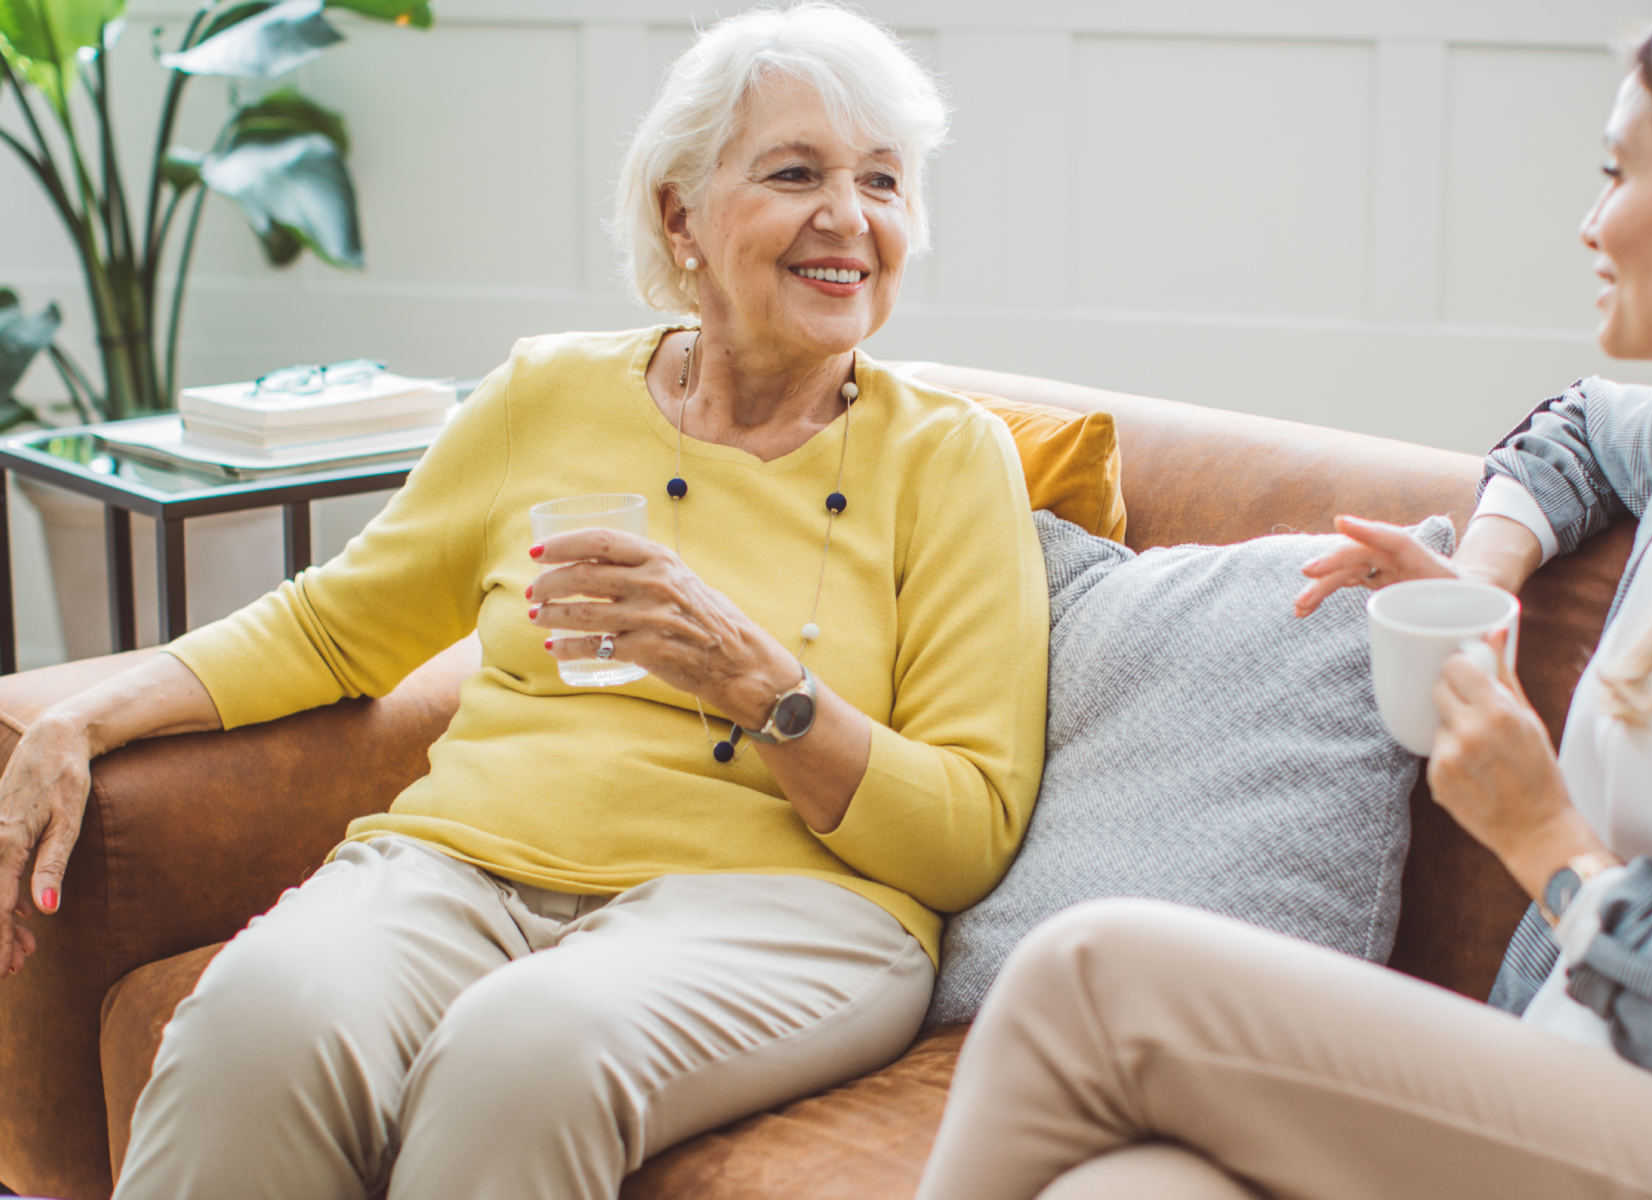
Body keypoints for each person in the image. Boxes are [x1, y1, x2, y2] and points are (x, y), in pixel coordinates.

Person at [912, 2, 1652, 1198]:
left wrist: (1542, 836)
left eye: (1613, 172)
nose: (1588, 224)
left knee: (1094, 974)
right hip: (1590, 1071)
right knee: (1124, 1191)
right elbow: (1579, 425)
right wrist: (1479, 588)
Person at [0, 4, 1049, 1198]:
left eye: (882, 182)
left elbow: (965, 833)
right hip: (461, 868)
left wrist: (763, 687)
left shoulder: (949, 462)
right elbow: (334, 625)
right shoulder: (544, 394)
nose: (847, 219)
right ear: (678, 213)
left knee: (523, 1053)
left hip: (784, 906)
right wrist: (81, 720)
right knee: (256, 1020)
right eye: (795, 172)